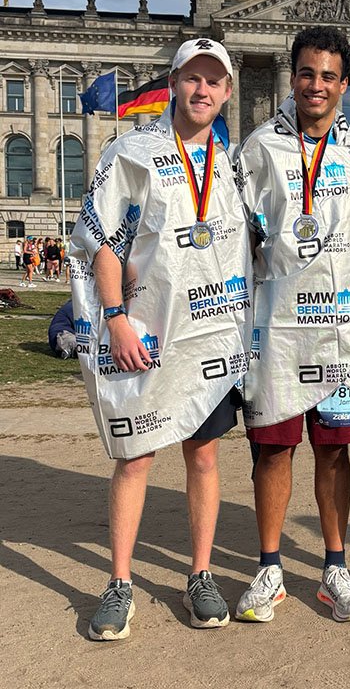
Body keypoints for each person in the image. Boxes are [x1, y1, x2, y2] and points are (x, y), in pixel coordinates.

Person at [70, 38, 253, 641]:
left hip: (208, 336)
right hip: (144, 333)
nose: (203, 91)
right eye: (192, 79)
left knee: (203, 456)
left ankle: (199, 574)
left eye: (214, 82)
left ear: (227, 91)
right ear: (174, 83)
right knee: (135, 458)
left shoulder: (232, 163)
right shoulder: (136, 151)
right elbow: (102, 241)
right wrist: (116, 319)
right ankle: (119, 582)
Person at [234, 26, 350, 623]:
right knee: (272, 454)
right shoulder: (259, 148)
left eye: (328, 75)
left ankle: (335, 569)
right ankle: (270, 568)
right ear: (291, 76)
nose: (316, 85)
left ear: (345, 85)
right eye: (307, 73)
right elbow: (231, 233)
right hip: (275, 332)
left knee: (333, 455)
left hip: (342, 332)